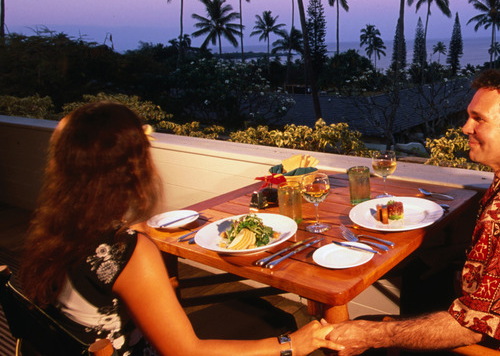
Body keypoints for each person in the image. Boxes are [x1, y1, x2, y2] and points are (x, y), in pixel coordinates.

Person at [20, 101, 344, 356]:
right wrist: (292, 345)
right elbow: (185, 351)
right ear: (135, 168)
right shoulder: (128, 252)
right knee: (281, 321)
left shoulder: (51, 227)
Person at [328, 69, 500, 355]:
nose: (465, 128)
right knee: (421, 271)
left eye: (479, 119)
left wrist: (373, 334)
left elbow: (472, 328)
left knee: (360, 328)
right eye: (469, 116)